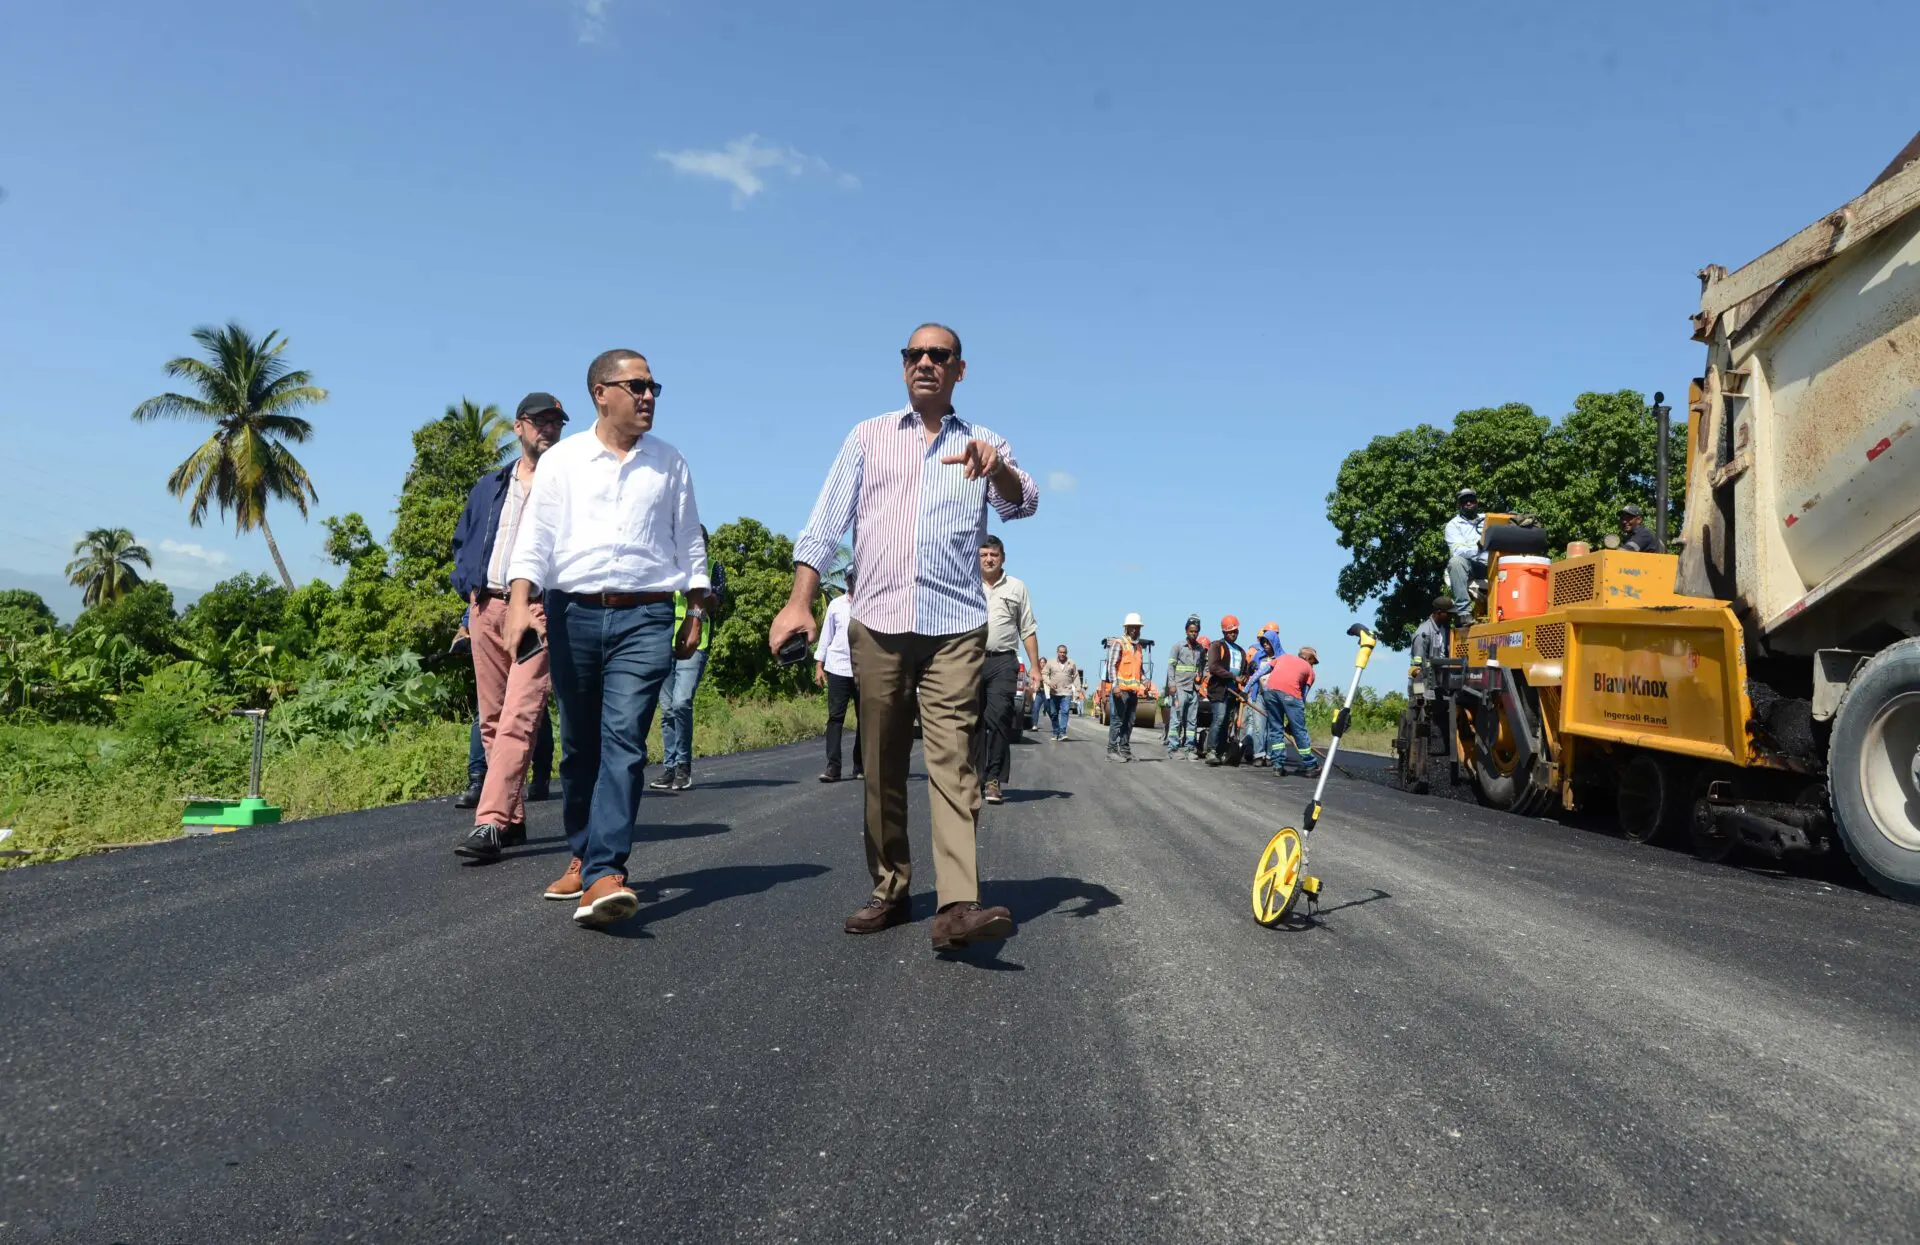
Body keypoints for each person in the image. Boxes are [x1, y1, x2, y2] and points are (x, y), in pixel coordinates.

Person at [771, 322, 1038, 953]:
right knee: (881, 764)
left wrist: (995, 469)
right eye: (913, 354)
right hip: (879, 624)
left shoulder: (985, 441)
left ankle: (957, 905)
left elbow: (1022, 503)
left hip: (955, 627)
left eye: (937, 354)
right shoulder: (867, 437)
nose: (924, 362)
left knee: (953, 763)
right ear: (903, 367)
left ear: (959, 370)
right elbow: (824, 524)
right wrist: (798, 603)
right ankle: (890, 887)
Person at [503, 350, 710, 927]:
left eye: (654, 387)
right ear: (602, 392)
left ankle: (605, 874)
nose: (648, 396)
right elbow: (535, 539)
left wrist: (694, 608)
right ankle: (581, 851)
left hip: (646, 616)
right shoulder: (564, 461)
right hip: (573, 616)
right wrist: (520, 605)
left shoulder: (671, 464)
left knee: (624, 738)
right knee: (580, 747)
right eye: (637, 386)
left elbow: (690, 541)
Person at [449, 392, 569, 862]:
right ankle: (513, 819)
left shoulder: (567, 486)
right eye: (540, 421)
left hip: (538, 610)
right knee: (492, 719)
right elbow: (466, 538)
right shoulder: (491, 485)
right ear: (519, 427)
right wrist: (470, 594)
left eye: (556, 422)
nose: (549, 428)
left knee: (521, 715)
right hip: (487, 608)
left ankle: (490, 822)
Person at [651, 526, 728, 792]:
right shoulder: (668, 569)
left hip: (696, 644)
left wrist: (695, 584)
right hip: (664, 642)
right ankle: (670, 768)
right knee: (667, 708)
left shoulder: (713, 570)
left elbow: (714, 603)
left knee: (682, 702)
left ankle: (684, 767)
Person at [975, 534, 1041, 805]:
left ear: (1003, 558)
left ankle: (993, 781)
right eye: (984, 555)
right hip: (970, 660)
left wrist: (1035, 667)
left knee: (1000, 718)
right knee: (972, 722)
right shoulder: (967, 584)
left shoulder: (1016, 587)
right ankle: (974, 778)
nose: (989, 559)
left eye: (994, 555)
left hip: (1004, 661)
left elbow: (1028, 629)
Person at [814, 570, 863, 782]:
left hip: (864, 669)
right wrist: (819, 665)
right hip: (838, 667)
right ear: (846, 580)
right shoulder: (836, 605)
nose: (853, 581)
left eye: (857, 577)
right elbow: (826, 636)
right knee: (835, 718)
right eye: (850, 577)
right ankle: (833, 767)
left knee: (866, 719)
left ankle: (860, 766)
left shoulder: (870, 603)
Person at [1263, 645, 1321, 775]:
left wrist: (1245, 690)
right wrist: (1293, 725)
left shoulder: (1284, 658)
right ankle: (1310, 765)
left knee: (1276, 729)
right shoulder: (1310, 671)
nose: (1313, 665)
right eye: (1313, 662)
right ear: (1309, 658)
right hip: (1291, 696)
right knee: (1299, 731)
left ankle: (1278, 765)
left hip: (1269, 692)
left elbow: (1261, 672)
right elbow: (1303, 696)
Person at [1104, 614, 1152, 762]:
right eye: (1132, 628)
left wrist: (1145, 680)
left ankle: (1124, 749)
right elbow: (1111, 666)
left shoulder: (1138, 647)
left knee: (1129, 721)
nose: (1135, 630)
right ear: (1126, 628)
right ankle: (1112, 751)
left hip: (1133, 691)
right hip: (1121, 690)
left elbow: (1139, 669)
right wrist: (1115, 685)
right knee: (1117, 720)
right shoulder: (1119, 643)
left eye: (1137, 628)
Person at [1204, 616, 1246, 766]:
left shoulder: (1241, 651)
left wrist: (1243, 680)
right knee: (1219, 719)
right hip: (1219, 690)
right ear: (1224, 632)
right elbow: (1214, 667)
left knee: (1227, 722)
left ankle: (1221, 751)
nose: (1233, 634)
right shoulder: (1217, 646)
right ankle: (1211, 751)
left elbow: (1244, 672)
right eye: (1230, 632)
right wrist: (1233, 677)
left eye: (1235, 631)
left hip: (1233, 693)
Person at [1163, 615, 1206, 758]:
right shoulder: (1178, 647)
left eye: (1196, 631)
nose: (1194, 633)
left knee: (1192, 721)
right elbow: (1171, 666)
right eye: (1191, 631)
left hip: (1193, 690)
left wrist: (1203, 677)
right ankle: (1173, 749)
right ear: (1186, 631)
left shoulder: (1200, 649)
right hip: (1180, 688)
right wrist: (1172, 684)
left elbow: (1203, 666)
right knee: (1176, 719)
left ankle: (1189, 748)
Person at [1445, 487, 1486, 626]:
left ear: (1477, 503)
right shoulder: (1453, 525)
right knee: (1456, 562)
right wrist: (1478, 547)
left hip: (1494, 563)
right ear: (1459, 506)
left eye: (1471, 500)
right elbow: (1457, 552)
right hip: (1473, 567)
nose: (1468, 503)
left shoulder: (1488, 519)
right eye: (1464, 502)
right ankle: (1464, 613)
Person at [1243, 623, 1283, 767]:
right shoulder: (1258, 656)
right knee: (1259, 726)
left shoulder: (1283, 657)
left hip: (1275, 696)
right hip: (1259, 694)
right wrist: (1250, 667)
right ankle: (1258, 755)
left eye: (1268, 642)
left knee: (1273, 727)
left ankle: (1270, 755)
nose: (1265, 645)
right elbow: (1250, 673)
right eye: (1263, 642)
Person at [1039, 644, 1080, 741]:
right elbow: (1044, 674)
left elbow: (1076, 677)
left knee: (1065, 712)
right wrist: (1049, 683)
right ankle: (1055, 732)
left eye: (1064, 652)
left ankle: (1062, 733)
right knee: (1053, 713)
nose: (1062, 654)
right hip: (1054, 692)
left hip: (1067, 692)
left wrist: (1078, 691)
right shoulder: (1051, 662)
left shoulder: (1071, 663)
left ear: (1066, 653)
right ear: (1057, 652)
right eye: (1060, 652)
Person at [1409, 594, 1454, 666]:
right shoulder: (1423, 634)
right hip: (1429, 676)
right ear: (1439, 613)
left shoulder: (1447, 629)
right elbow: (1418, 663)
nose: (1452, 616)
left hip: (1446, 674)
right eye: (1449, 614)